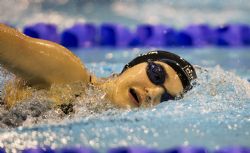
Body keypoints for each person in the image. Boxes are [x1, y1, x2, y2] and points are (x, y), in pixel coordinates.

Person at [0, 24, 197, 109]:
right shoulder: (68, 73)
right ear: (132, 65)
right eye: (156, 74)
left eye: (166, 99)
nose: (154, 93)